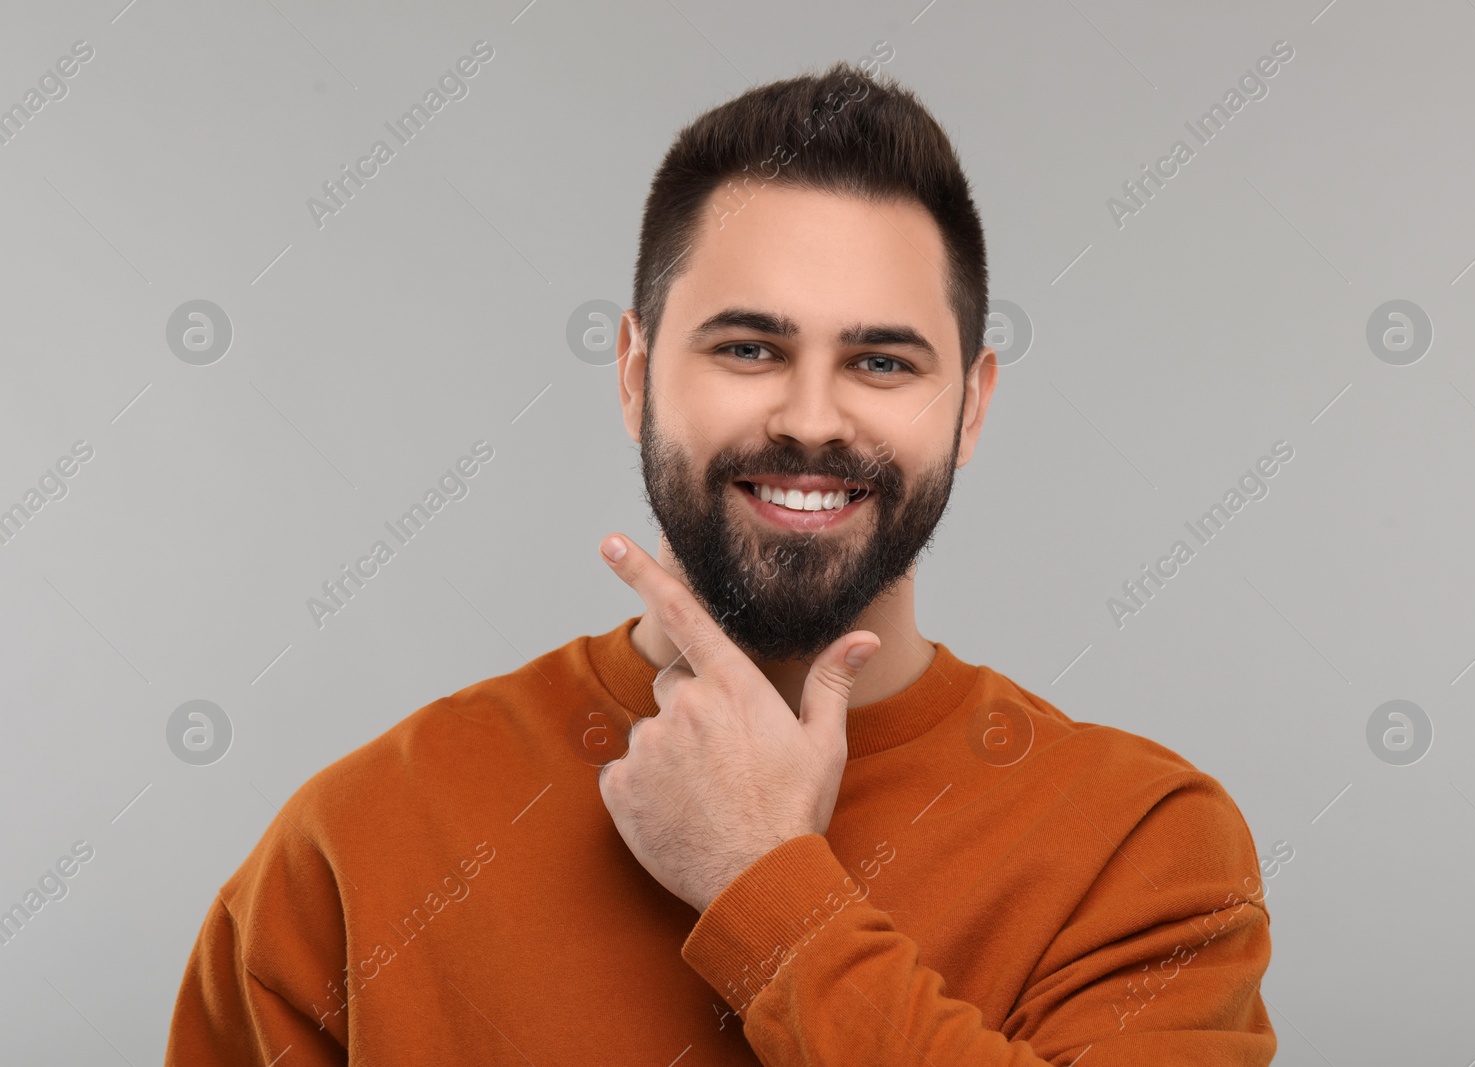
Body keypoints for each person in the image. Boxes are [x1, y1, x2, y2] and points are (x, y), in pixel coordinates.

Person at [164, 58, 1276, 1065]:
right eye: (749, 348)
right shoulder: (359, 843)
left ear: (970, 406)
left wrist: (763, 884)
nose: (809, 418)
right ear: (636, 373)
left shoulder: (1147, 850)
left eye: (881, 361)